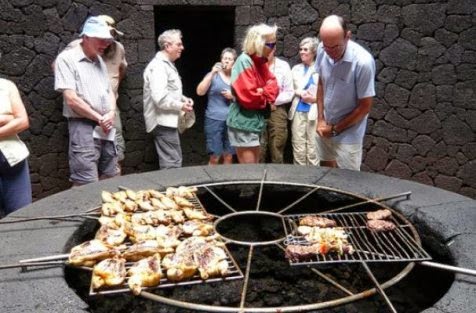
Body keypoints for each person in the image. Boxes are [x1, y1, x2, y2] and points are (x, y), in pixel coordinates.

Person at [54, 16, 118, 186]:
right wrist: (99, 117)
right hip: (83, 124)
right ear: (86, 37)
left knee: (111, 173)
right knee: (86, 180)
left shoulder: (100, 61)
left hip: (106, 124)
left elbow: (109, 91)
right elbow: (71, 99)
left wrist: (111, 113)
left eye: (107, 40)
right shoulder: (66, 59)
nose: (106, 44)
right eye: (101, 39)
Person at [315, 15, 376, 170]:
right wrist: (320, 118)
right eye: (325, 46)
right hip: (326, 125)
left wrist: (335, 129)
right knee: (325, 173)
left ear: (347, 36)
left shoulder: (363, 62)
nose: (329, 52)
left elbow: (365, 107)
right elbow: (321, 83)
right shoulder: (323, 50)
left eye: (335, 47)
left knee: (348, 181)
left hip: (349, 131)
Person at [226, 24, 279, 164]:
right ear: (259, 43)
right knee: (249, 171)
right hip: (243, 123)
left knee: (253, 168)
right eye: (271, 44)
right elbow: (249, 98)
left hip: (252, 123)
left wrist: (262, 91)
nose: (274, 48)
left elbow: (274, 84)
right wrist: (265, 95)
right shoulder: (245, 61)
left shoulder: (259, 61)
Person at [143, 29, 194, 169]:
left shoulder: (166, 64)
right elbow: (160, 98)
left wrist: (184, 99)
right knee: (172, 164)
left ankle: (173, 190)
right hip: (162, 123)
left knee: (173, 161)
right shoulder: (158, 66)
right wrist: (181, 106)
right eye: (179, 44)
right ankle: (172, 190)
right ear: (167, 46)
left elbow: (169, 90)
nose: (182, 47)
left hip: (167, 122)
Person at [196, 48, 237, 165]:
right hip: (214, 120)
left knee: (229, 156)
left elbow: (244, 97)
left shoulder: (237, 77)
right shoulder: (213, 75)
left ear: (234, 62)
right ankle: (212, 180)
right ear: (221, 60)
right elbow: (200, 91)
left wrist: (233, 96)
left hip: (232, 121)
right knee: (215, 156)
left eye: (230, 59)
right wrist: (212, 72)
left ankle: (226, 182)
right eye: (225, 58)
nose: (227, 61)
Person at [0, 71, 32, 216]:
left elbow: (23, 121)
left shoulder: (6, 86)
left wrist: (13, 119)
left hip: (13, 159)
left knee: (21, 213)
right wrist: (7, 117)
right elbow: (15, 119)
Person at [288, 37, 320, 166]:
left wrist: (314, 99)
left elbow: (326, 92)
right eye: (300, 49)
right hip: (298, 110)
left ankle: (313, 178)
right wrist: (299, 92)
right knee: (298, 145)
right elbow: (289, 88)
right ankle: (299, 179)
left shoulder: (320, 68)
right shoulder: (295, 69)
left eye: (305, 49)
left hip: (314, 112)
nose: (302, 52)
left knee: (313, 147)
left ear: (313, 52)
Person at [259, 47, 293, 164]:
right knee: (259, 147)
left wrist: (273, 101)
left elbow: (289, 92)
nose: (267, 53)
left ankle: (277, 179)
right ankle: (256, 179)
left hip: (277, 109)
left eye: (270, 49)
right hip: (259, 108)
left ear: (275, 50)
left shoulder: (283, 66)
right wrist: (266, 101)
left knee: (277, 146)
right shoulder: (255, 65)